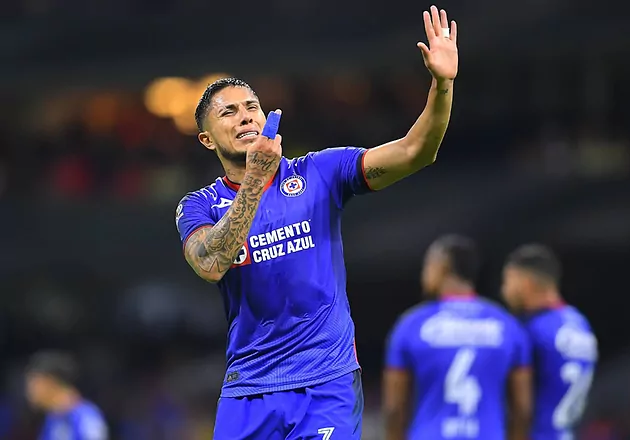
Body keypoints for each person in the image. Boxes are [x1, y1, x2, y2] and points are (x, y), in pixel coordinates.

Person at [174, 5, 458, 439]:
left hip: (326, 382)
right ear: (207, 139)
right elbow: (210, 264)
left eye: (252, 106)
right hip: (249, 389)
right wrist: (255, 179)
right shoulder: (199, 206)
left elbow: (415, 151)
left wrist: (442, 85)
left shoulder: (319, 172)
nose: (246, 115)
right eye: (228, 112)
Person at [383, 235, 533, 440]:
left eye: (427, 266)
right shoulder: (507, 325)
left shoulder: (412, 325)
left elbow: (394, 409)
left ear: (441, 266)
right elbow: (523, 408)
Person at [502, 244, 598, 440]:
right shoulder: (581, 324)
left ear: (526, 282)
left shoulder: (532, 329)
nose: (504, 290)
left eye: (508, 281)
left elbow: (522, 407)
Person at [25, 351, 108, 440]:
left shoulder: (86, 417)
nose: (29, 391)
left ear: (51, 382)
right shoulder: (52, 418)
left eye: (34, 383)